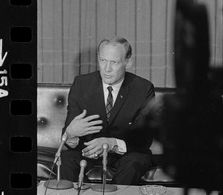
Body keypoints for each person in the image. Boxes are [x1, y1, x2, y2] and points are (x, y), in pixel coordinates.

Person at [60, 36, 155, 185]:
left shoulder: (143, 89)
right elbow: (69, 137)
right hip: (88, 151)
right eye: (103, 61)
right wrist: (70, 135)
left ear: (128, 62)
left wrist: (111, 143)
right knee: (66, 159)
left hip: (126, 153)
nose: (107, 69)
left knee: (135, 162)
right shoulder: (81, 84)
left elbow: (144, 140)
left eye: (114, 62)